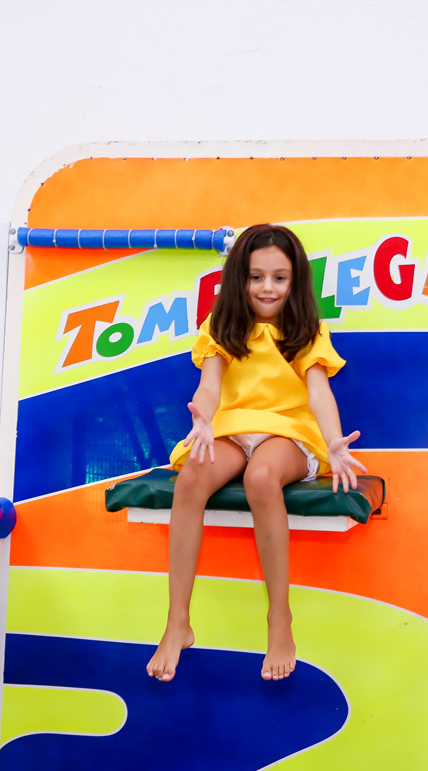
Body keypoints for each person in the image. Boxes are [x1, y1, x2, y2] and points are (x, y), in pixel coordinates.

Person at [146, 223, 366, 683]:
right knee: (191, 477)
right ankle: (177, 621)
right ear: (239, 279)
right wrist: (202, 420)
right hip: (232, 428)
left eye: (279, 278)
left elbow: (319, 393)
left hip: (288, 433)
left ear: (295, 281)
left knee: (261, 478)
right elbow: (209, 386)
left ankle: (279, 617)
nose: (268, 288)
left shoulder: (307, 330)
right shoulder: (221, 327)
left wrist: (334, 442)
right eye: (256, 277)